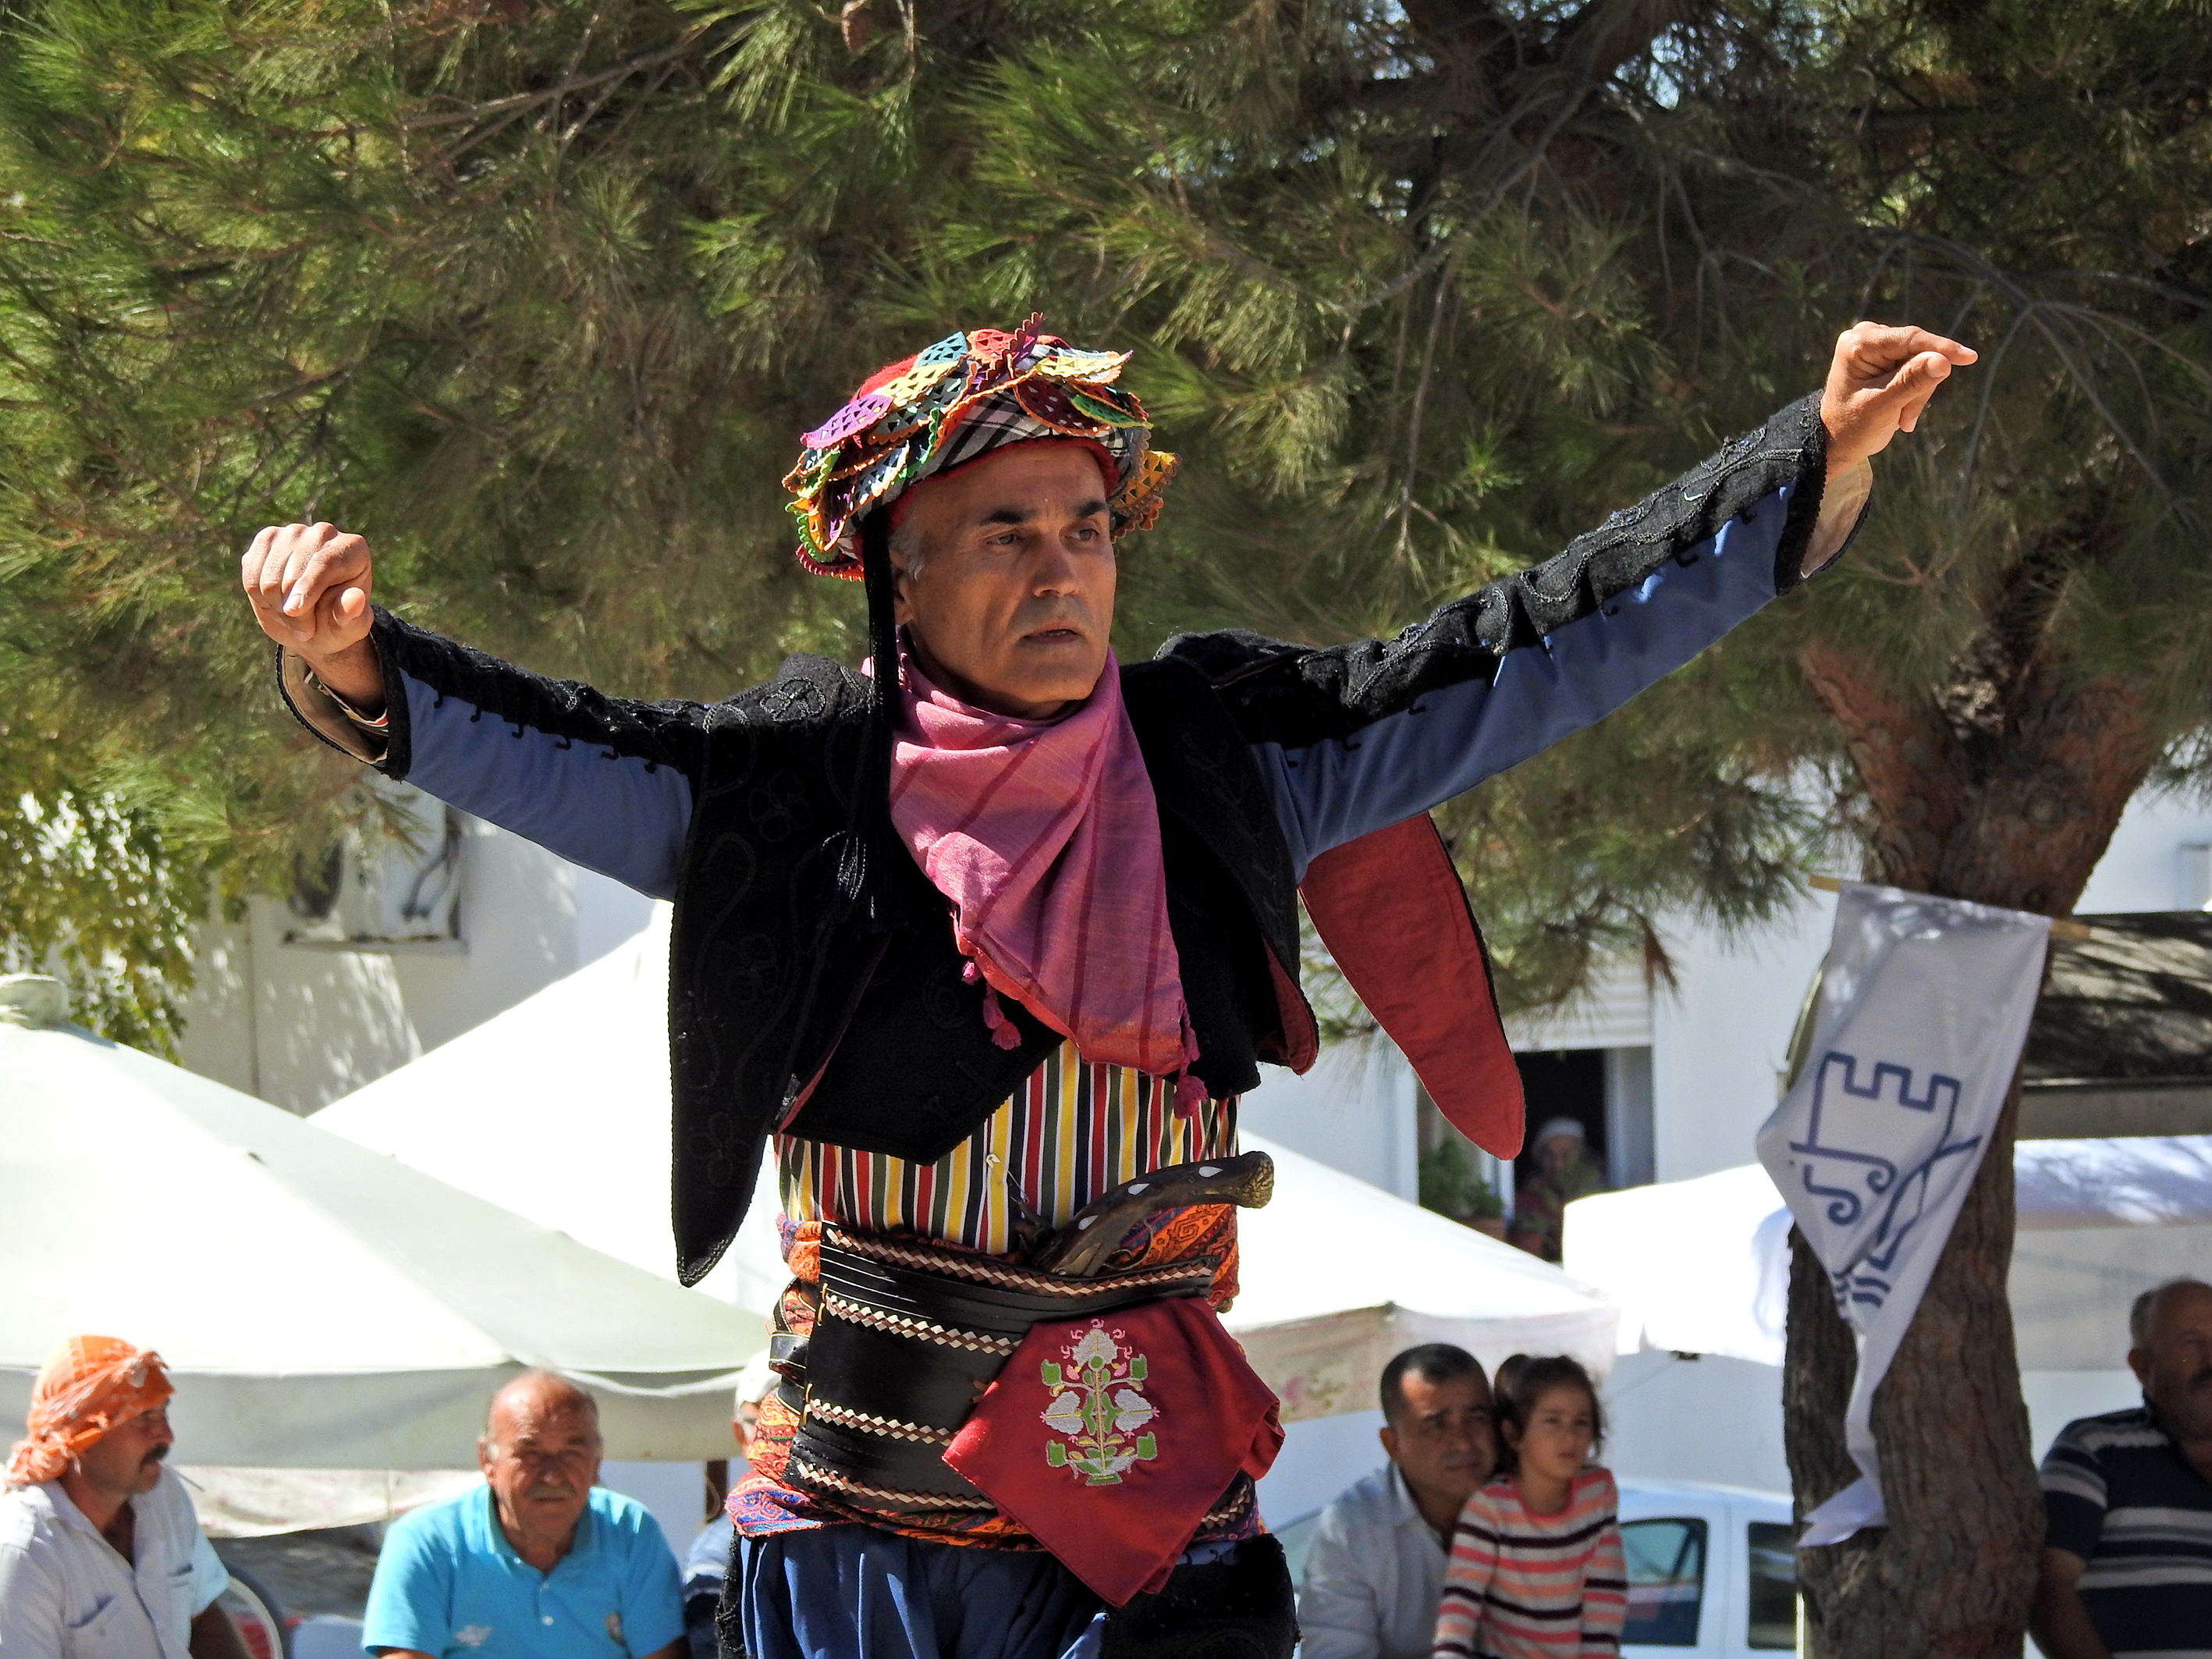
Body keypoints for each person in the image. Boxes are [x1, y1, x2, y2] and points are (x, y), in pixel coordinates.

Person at [242, 314, 1969, 1658]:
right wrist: (357, 662)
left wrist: (1795, 467)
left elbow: (1517, 650)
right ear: (898, 572)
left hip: (1148, 1536)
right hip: (859, 1541)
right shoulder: (791, 791)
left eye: (1085, 526)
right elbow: (564, 748)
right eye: (1002, 530)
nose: (1059, 564)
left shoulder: (1226, 759)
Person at [361, 1371, 683, 1659]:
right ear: (487, 1462)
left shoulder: (630, 1531)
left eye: (572, 1453)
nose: (553, 1476)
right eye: (530, 1453)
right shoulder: (426, 1542)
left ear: (597, 1462)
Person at [0, 1335, 250, 1659]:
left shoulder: (163, 1495)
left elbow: (201, 1616)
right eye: (143, 1417)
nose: (167, 1437)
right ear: (81, 1439)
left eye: (163, 1413)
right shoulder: (24, 1551)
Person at [2030, 1277, 2212, 1659]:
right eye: (2190, 1344)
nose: (2210, 1360)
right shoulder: (2096, 1449)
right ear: (2143, 1366)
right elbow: (2045, 1584)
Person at [1298, 1346, 1497, 1659]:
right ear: (1392, 1445)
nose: (1463, 1442)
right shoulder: (1351, 1531)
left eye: (1477, 1418)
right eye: (1436, 1425)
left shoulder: (1540, 1501)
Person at [1433, 1355, 1624, 1659]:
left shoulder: (1597, 1493)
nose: (1569, 1436)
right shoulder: (1490, 1509)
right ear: (1513, 1434)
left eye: (1581, 1422)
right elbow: (1461, 1602)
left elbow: (1605, 1592)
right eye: (1552, 1421)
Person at [681, 1359, 777, 1659]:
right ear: (740, 1435)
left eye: (795, 1420)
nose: (781, 1435)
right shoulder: (717, 1551)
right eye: (763, 1423)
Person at [1504, 1119, 1605, 1263]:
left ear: (1580, 1156)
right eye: (1549, 1155)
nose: (1557, 1164)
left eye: (1566, 1155)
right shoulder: (1526, 1197)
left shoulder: (1596, 1194)